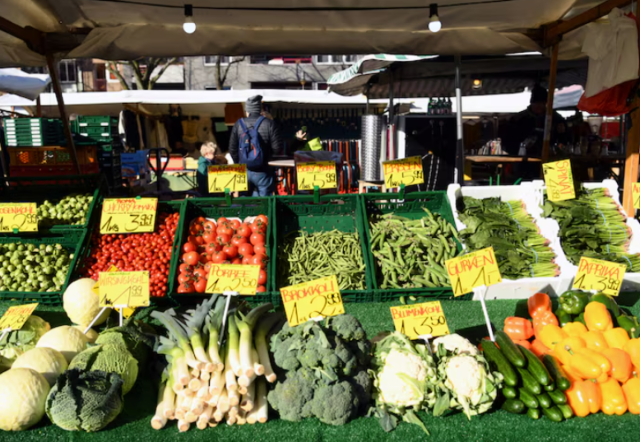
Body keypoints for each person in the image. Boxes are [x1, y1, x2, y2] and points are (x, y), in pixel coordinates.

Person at [229, 95, 283, 196]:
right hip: (263, 170)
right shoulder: (269, 123)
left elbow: (232, 149)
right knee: (265, 202)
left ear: (247, 111)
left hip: (244, 170)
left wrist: (240, 163)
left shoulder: (238, 124)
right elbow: (277, 148)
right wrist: (265, 159)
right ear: (259, 109)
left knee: (244, 200)